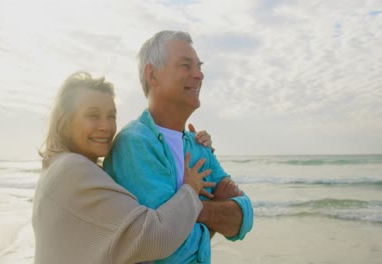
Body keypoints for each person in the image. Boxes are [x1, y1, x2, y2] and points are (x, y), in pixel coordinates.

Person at [32, 71, 219, 264]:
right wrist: (191, 188)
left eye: (111, 116)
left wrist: (187, 145)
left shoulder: (58, 167)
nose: (105, 126)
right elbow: (156, 238)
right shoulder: (73, 170)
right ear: (65, 122)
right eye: (92, 115)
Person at [103, 30, 254, 264]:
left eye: (199, 66)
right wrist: (206, 211)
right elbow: (168, 250)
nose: (199, 75)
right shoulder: (135, 143)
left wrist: (189, 208)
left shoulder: (198, 145)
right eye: (186, 66)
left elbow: (243, 218)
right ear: (152, 75)